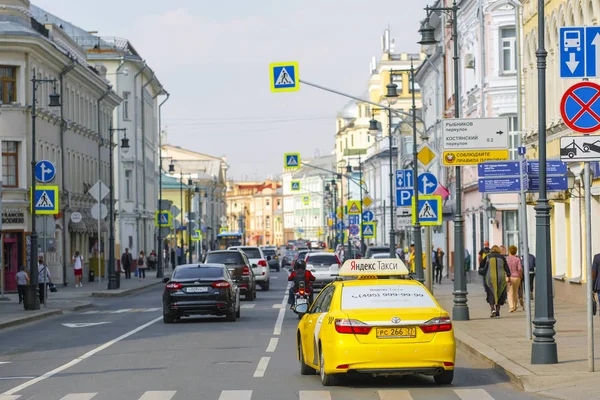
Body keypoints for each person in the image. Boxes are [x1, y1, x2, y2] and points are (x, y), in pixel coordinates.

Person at [481, 246, 511, 318]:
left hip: (490, 277)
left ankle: (492, 309)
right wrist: (508, 275)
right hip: (501, 278)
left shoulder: (488, 257)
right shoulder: (502, 257)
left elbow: (482, 265)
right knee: (499, 293)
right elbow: (507, 268)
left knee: (491, 293)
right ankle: (497, 312)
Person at [506, 245, 523, 313]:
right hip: (517, 277)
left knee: (510, 292)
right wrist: (520, 275)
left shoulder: (506, 259)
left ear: (509, 251)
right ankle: (515, 306)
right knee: (516, 292)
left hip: (509, 277)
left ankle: (511, 307)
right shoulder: (517, 259)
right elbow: (520, 269)